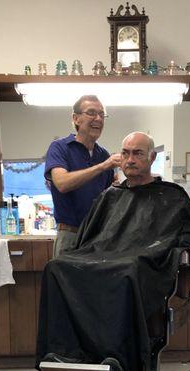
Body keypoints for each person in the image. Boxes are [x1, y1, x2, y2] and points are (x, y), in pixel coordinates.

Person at [37, 131, 190, 371]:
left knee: (127, 270)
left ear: (152, 157)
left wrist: (183, 281)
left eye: (138, 153)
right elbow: (88, 241)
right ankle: (61, 356)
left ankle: (119, 364)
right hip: (109, 265)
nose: (130, 159)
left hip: (141, 268)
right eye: (126, 153)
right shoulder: (110, 196)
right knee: (56, 268)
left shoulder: (172, 196)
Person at [45, 95, 121, 256]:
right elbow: (62, 183)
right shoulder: (59, 148)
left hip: (97, 237)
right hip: (70, 236)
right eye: (92, 113)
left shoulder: (103, 154)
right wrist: (103, 166)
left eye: (102, 114)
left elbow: (107, 201)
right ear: (76, 118)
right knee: (66, 281)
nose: (98, 119)